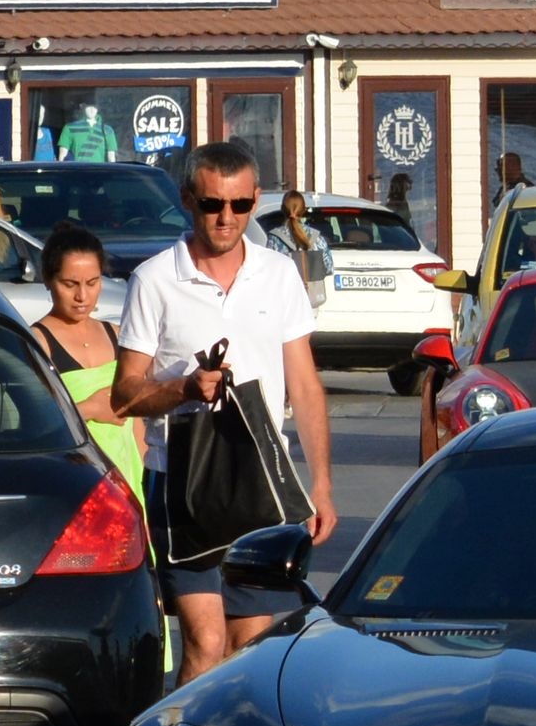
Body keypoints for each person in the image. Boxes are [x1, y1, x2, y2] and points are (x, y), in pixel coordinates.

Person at [112, 142, 338, 683]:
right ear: (189, 200)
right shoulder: (154, 279)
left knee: (250, 646)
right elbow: (125, 395)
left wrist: (321, 486)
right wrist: (186, 389)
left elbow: (304, 386)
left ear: (255, 201)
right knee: (206, 641)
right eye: (213, 204)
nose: (226, 218)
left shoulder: (279, 275)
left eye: (239, 205)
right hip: (184, 483)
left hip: (259, 481)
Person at [31, 222, 146, 508]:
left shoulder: (116, 335)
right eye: (70, 284)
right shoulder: (38, 343)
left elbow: (137, 422)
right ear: (48, 279)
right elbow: (34, 423)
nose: (82, 297)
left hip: (127, 479)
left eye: (92, 283)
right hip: (73, 481)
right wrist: (91, 409)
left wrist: (146, 475)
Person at [266, 189, 333, 276]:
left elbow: (269, 269)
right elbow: (329, 268)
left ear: (282, 209)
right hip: (313, 289)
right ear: (303, 210)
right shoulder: (318, 238)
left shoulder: (274, 238)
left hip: (288, 288)